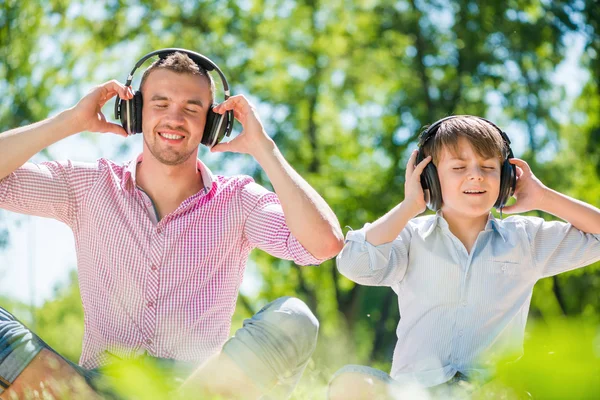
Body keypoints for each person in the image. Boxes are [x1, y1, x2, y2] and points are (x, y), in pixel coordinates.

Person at [0, 49, 344, 399]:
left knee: (294, 317)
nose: (174, 119)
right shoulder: (89, 185)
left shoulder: (239, 200)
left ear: (213, 124)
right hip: (89, 390)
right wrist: (70, 121)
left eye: (191, 109)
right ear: (135, 113)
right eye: (160, 104)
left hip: (198, 390)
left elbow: (324, 244)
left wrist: (263, 147)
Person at [329, 115, 600, 399]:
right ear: (430, 179)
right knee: (349, 382)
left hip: (491, 392)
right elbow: (353, 263)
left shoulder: (527, 239)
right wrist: (409, 206)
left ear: (506, 178)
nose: (476, 175)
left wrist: (543, 198)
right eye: (459, 167)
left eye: (488, 167)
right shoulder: (409, 238)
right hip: (415, 391)